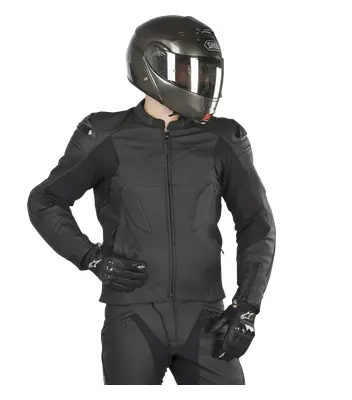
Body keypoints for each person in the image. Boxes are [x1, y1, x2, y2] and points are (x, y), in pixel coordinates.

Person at [27, 15, 276, 385]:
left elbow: (257, 223)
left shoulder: (223, 139)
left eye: (206, 73)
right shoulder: (104, 135)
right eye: (190, 71)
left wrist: (247, 305)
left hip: (206, 317)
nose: (202, 83)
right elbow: (45, 201)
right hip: (132, 317)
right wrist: (91, 257)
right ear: (153, 67)